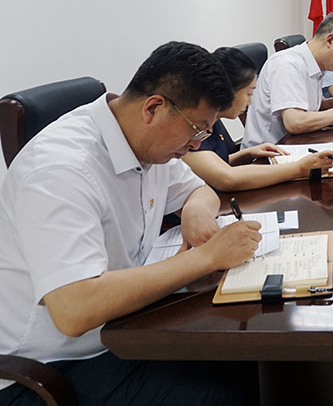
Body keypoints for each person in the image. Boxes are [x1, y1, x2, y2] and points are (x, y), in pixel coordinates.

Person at [0, 42, 263, 406]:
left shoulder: (144, 140)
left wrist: (196, 213)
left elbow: (198, 190)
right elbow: (74, 311)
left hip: (124, 327)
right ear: (154, 107)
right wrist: (207, 257)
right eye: (196, 129)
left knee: (249, 358)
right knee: (224, 393)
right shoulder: (59, 170)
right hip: (55, 364)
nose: (194, 145)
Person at [182, 47, 333, 191]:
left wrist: (249, 153)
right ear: (226, 90)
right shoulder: (193, 127)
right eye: (249, 94)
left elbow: (213, 164)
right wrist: (299, 168)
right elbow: (227, 178)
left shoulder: (213, 120)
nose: (250, 102)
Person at [242, 10, 333, 147]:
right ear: (330, 40)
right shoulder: (288, 65)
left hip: (293, 144)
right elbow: (294, 122)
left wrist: (332, 103)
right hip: (267, 153)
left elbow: (305, 105)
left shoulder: (316, 65)